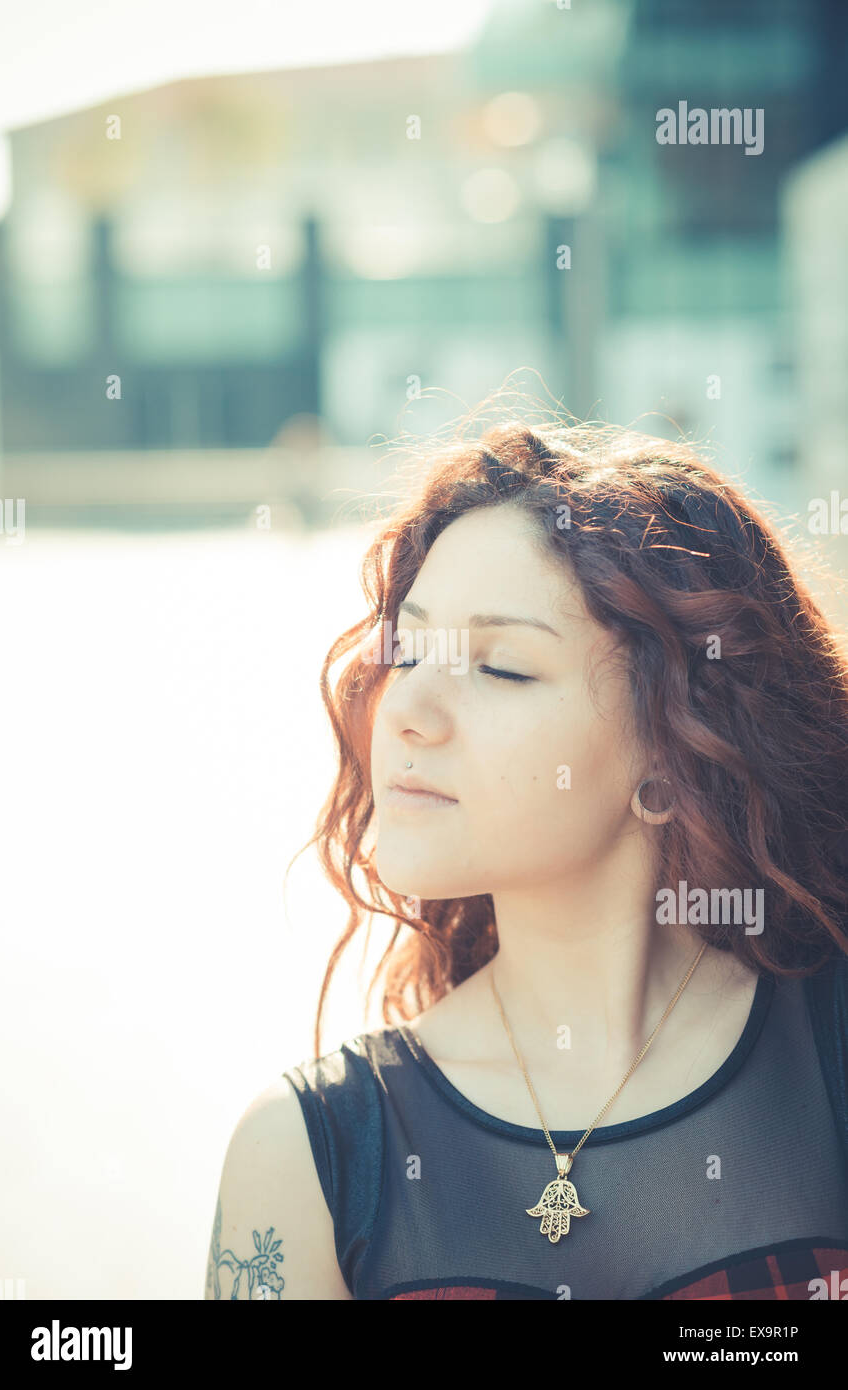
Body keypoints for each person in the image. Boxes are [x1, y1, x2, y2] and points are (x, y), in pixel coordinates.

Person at [204, 414, 848, 1300]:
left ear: (671, 754)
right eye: (409, 648)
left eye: (500, 668)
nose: (405, 712)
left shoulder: (828, 1049)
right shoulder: (312, 1155)